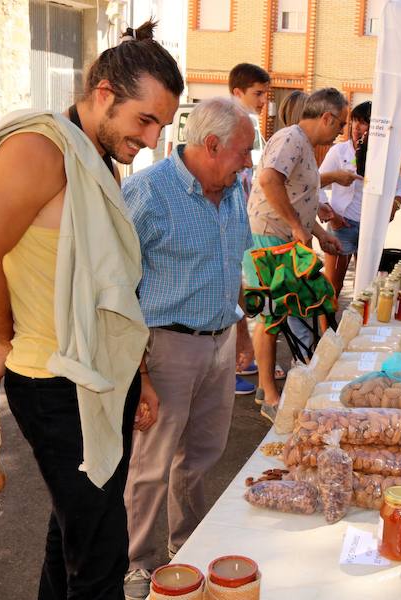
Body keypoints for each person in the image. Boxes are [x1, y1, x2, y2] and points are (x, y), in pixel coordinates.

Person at [0, 22, 183, 599]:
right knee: (100, 551)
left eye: (162, 126)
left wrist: (139, 375)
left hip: (102, 374)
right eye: (145, 119)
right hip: (52, 381)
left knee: (75, 530)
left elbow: (109, 288)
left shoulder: (95, 156)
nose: (152, 139)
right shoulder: (40, 150)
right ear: (103, 94)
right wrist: (5, 338)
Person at [120, 97, 256, 599]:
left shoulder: (234, 188)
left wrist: (241, 330)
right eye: (243, 150)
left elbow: (234, 263)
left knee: (201, 456)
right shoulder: (147, 192)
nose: (249, 162)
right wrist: (140, 373)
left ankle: (187, 547)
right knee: (151, 464)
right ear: (212, 144)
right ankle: (136, 562)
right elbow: (116, 285)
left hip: (220, 341)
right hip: (166, 346)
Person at [246, 87, 357, 421]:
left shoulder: (304, 144)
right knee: (271, 315)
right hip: (270, 236)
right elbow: (269, 180)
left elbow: (300, 198)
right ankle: (269, 394)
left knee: (280, 311)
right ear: (326, 117)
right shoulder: (291, 138)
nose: (341, 131)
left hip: (283, 238)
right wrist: (296, 225)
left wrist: (320, 234)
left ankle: (267, 386)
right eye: (340, 124)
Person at [317, 100, 401, 295]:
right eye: (354, 121)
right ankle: (328, 317)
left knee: (366, 289)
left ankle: (357, 316)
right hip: (342, 225)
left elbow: (400, 186)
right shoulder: (339, 151)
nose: (356, 127)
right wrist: (330, 214)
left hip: (371, 227)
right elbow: (315, 184)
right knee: (333, 286)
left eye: (364, 122)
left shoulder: (383, 155)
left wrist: (394, 205)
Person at [227, 63, 271, 396]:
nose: (263, 100)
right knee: (229, 295)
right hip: (228, 220)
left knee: (237, 292)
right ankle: (230, 368)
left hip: (239, 219)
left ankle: (238, 359)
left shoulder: (247, 123)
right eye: (258, 93)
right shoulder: (229, 123)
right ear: (237, 92)